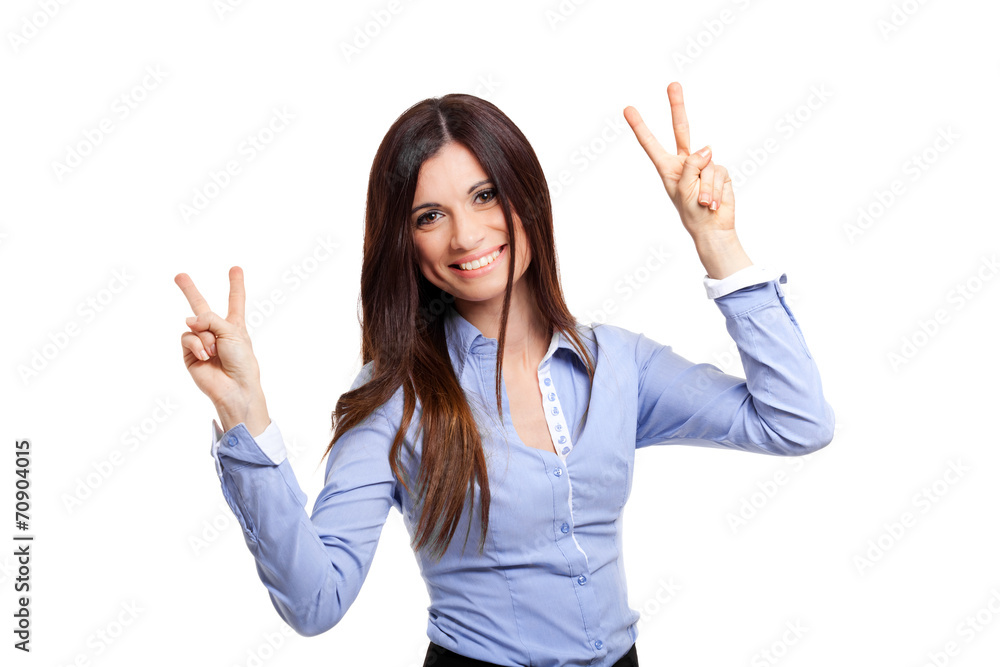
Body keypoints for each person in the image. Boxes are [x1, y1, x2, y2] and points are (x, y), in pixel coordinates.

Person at [174, 82, 835, 667]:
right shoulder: (394, 397)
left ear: (526, 196)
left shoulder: (618, 362)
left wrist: (717, 242)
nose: (465, 235)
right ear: (406, 241)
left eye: (484, 195)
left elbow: (797, 422)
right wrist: (244, 416)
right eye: (430, 216)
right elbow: (315, 599)